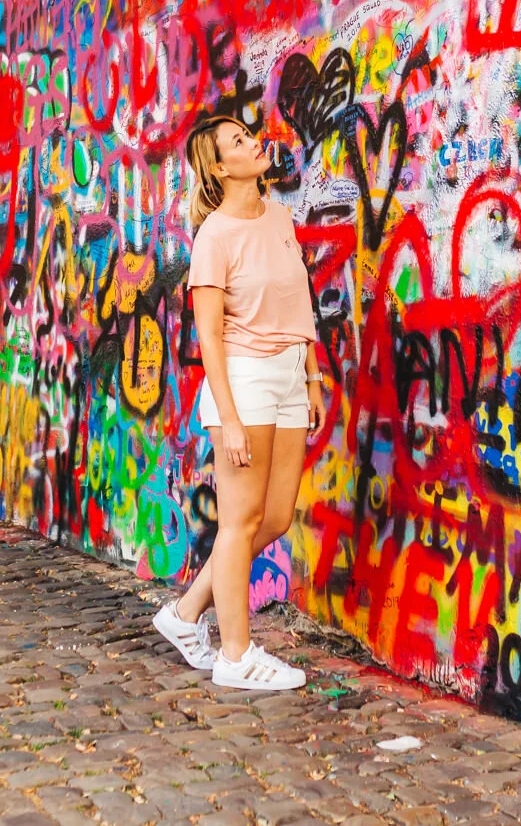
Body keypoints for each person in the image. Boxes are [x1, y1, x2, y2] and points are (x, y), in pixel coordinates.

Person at [153, 113, 323, 690]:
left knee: (272, 517)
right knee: (239, 521)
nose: (254, 143)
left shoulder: (278, 217)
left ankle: (184, 613)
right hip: (245, 382)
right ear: (220, 167)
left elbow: (298, 298)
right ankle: (235, 654)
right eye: (238, 141)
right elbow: (210, 338)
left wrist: (314, 376)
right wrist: (227, 418)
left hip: (290, 376)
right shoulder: (215, 236)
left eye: (249, 135)